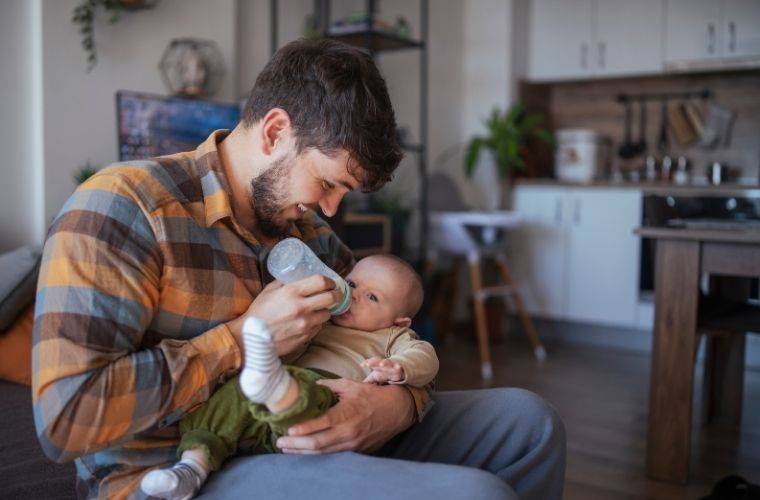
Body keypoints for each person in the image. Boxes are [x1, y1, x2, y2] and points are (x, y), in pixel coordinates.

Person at [33, 38, 565, 500]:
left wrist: (394, 407)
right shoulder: (124, 208)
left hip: (306, 428)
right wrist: (242, 340)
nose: (332, 209)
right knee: (475, 493)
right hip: (183, 467)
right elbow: (65, 420)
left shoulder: (306, 231)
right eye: (328, 182)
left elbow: (383, 334)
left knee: (529, 423)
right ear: (275, 132)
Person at [140, 253, 438, 500]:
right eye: (351, 283)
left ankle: (276, 386)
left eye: (372, 297)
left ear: (400, 321)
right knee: (230, 397)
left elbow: (426, 358)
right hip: (269, 402)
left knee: (309, 391)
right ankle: (191, 468)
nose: (354, 296)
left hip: (327, 395)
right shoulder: (322, 317)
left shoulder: (392, 337)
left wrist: (399, 368)